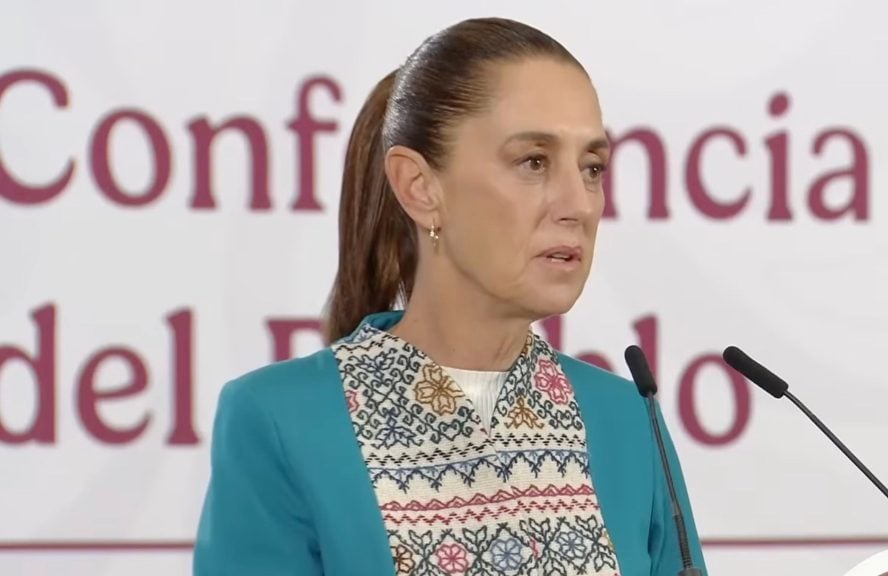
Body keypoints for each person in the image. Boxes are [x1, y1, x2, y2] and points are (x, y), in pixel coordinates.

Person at [193, 16, 706, 576]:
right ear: (420, 187)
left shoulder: (627, 420)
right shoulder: (280, 420)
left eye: (591, 167)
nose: (579, 204)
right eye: (533, 161)